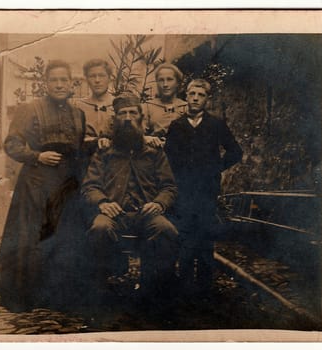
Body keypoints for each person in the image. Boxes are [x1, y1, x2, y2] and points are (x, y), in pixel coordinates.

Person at [0, 60, 86, 312]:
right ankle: (25, 295)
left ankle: (57, 295)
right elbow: (11, 144)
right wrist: (36, 156)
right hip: (35, 184)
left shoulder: (78, 114)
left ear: (71, 84)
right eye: (53, 80)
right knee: (31, 236)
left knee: (63, 236)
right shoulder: (29, 109)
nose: (59, 85)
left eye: (63, 80)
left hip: (67, 185)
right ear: (45, 84)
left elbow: (78, 149)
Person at [81, 93, 179, 303]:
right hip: (114, 215)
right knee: (99, 229)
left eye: (132, 113)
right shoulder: (104, 152)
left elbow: (169, 187)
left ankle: (156, 290)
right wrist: (103, 202)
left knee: (166, 230)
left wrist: (159, 203)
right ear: (115, 118)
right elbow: (90, 186)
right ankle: (99, 289)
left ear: (141, 118)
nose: (127, 118)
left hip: (146, 214)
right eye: (122, 113)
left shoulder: (154, 152)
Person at [164, 79, 243, 297]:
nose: (196, 98)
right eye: (192, 94)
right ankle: (186, 285)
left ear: (207, 99)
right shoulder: (177, 125)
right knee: (186, 234)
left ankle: (205, 288)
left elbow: (235, 152)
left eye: (201, 94)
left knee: (206, 236)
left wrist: (216, 168)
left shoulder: (216, 124)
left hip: (207, 190)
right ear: (186, 96)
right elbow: (167, 158)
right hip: (184, 190)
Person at [74, 59, 114, 156]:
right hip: (86, 157)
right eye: (92, 76)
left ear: (109, 78)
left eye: (101, 76)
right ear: (86, 79)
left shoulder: (118, 105)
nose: (97, 80)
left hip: (113, 158)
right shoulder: (78, 106)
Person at [143, 63, 187, 148]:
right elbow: (137, 134)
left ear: (177, 83)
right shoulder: (147, 107)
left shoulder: (186, 107)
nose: (165, 84)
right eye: (161, 80)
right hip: (155, 153)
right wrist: (146, 138)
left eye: (169, 79)